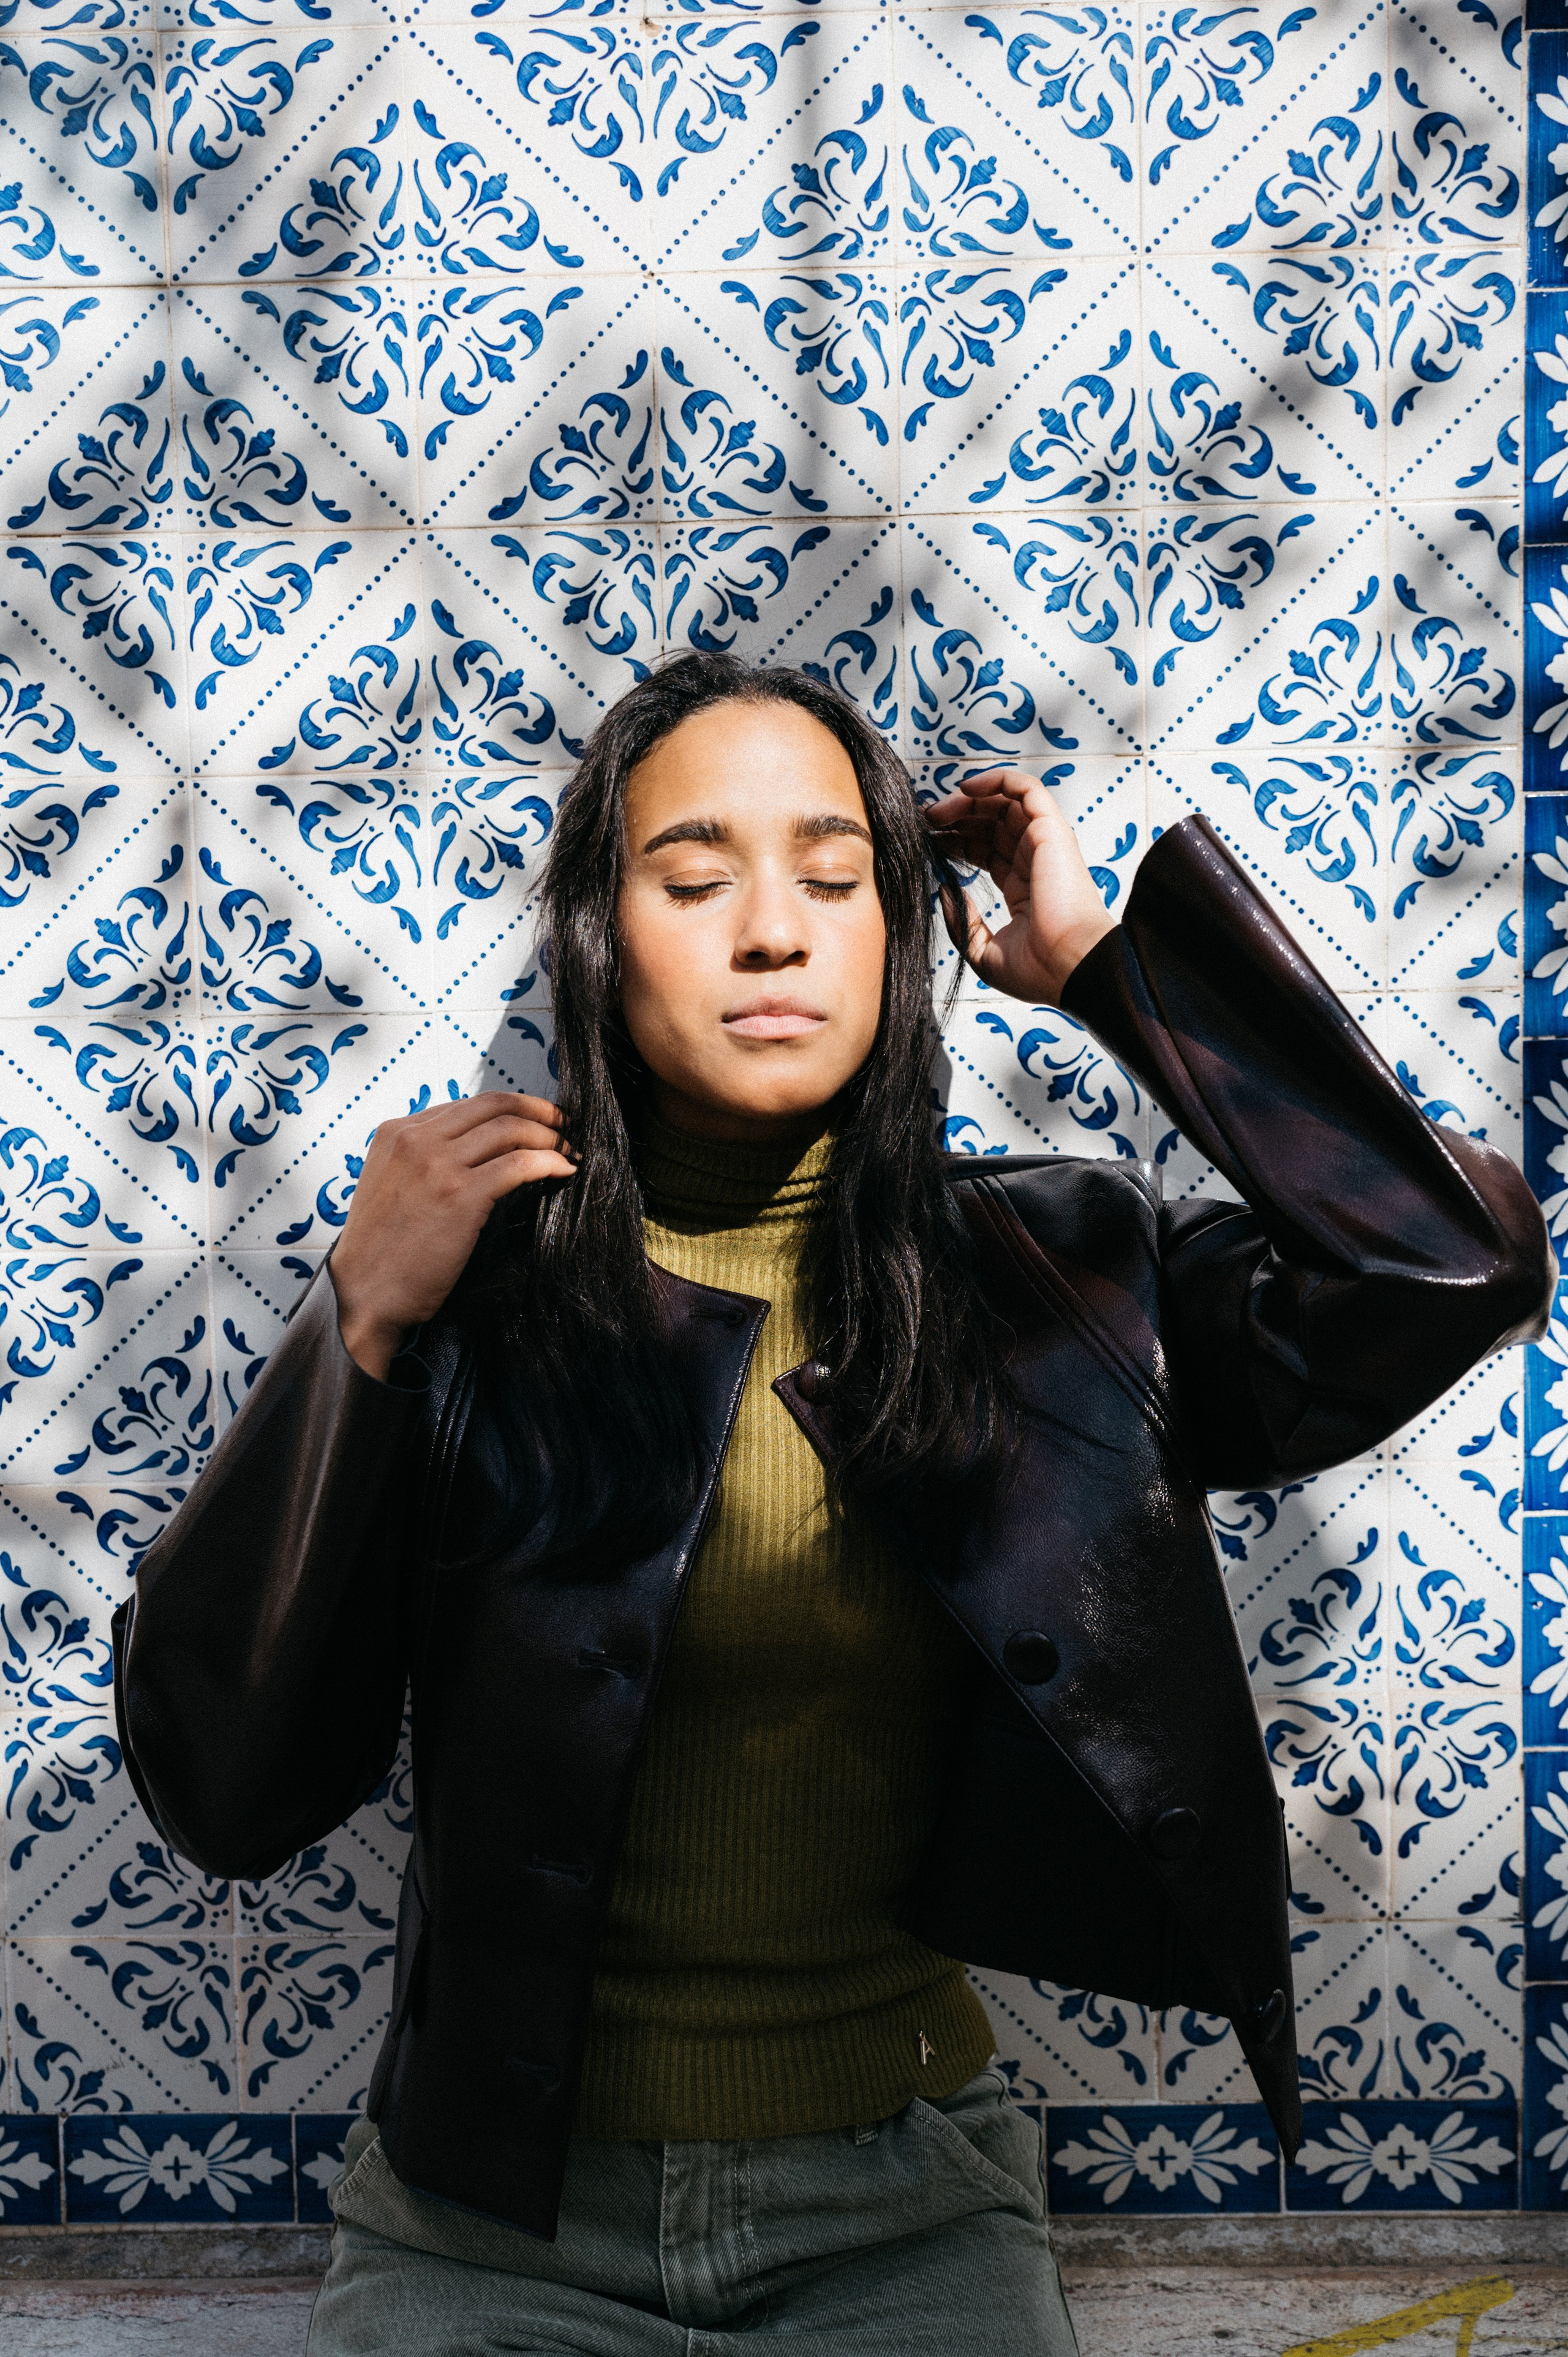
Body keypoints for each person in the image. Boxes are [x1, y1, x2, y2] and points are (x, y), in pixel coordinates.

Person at [113, 653, 1551, 2355]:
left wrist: (1112, 973)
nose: (773, 932)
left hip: (903, 2217)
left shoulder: (1060, 1283)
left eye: (836, 876)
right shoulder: (471, 1298)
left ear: (904, 933)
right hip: (486, 2229)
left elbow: (1451, 1267)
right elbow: (220, 1789)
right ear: (600, 933)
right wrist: (355, 1322)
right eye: (698, 878)